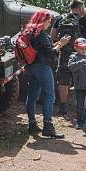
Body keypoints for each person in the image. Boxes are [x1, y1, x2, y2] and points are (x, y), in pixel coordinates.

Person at [23, 10, 70, 138]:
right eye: (48, 22)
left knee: (32, 96)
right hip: (43, 67)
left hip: (31, 66)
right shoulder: (41, 34)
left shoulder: (30, 32)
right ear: (43, 21)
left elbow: (44, 49)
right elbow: (50, 53)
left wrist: (58, 43)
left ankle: (32, 124)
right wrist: (61, 44)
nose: (49, 24)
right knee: (50, 95)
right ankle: (48, 126)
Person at [51, 0, 86, 116]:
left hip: (64, 54)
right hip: (80, 54)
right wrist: (84, 48)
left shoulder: (60, 18)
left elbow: (53, 36)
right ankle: (82, 107)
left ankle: (63, 106)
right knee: (82, 79)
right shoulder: (83, 20)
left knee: (63, 80)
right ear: (80, 8)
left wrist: (63, 44)